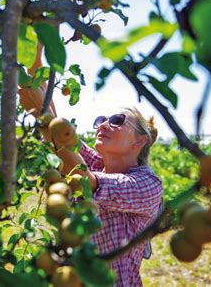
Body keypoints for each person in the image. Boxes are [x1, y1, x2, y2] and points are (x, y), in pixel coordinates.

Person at [18, 48, 163, 287]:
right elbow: (60, 129)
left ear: (139, 141)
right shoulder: (98, 164)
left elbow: (83, 178)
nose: (104, 124)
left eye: (117, 120)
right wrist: (36, 61)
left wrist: (42, 115)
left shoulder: (148, 184)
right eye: (101, 120)